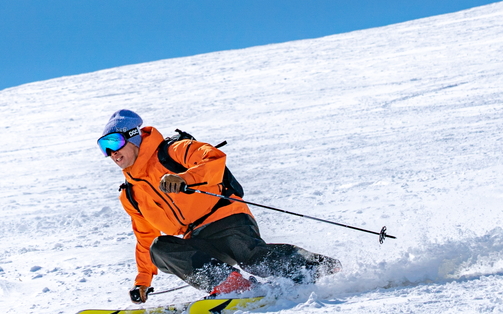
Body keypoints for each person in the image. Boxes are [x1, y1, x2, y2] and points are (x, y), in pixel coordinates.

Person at [98, 109, 339, 303]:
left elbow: (213, 159)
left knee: (252, 258)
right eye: (103, 147)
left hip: (227, 220)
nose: (111, 153)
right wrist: (142, 281)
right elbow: (144, 237)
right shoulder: (131, 194)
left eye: (114, 142)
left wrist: (185, 178)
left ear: (133, 136)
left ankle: (318, 266)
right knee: (160, 248)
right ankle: (232, 285)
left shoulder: (172, 151)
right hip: (197, 239)